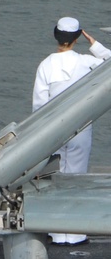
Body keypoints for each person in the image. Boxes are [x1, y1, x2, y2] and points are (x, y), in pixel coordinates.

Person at [32, 16, 110, 245]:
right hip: (80, 127)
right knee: (76, 177)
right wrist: (94, 44)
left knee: (53, 179)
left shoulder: (46, 64)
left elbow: (38, 105)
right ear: (77, 38)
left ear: (56, 36)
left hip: (52, 129)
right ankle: (75, 233)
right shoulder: (86, 62)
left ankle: (56, 232)